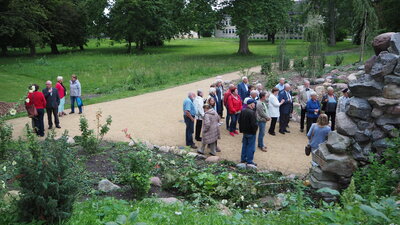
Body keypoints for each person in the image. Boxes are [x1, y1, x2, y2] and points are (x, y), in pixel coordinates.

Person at [238, 99, 258, 167]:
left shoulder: (243, 110)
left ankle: (243, 159)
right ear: (251, 104)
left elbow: (239, 121)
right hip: (251, 132)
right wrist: (255, 130)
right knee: (250, 147)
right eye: (254, 103)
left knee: (244, 146)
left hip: (244, 132)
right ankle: (249, 161)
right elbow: (254, 124)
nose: (255, 105)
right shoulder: (252, 112)